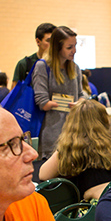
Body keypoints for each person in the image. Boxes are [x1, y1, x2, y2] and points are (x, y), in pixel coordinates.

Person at [38, 100, 111, 200]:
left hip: (86, 210)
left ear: (71, 122)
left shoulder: (69, 149)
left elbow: (43, 175)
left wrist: (65, 144)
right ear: (104, 119)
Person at [32, 26, 88, 159]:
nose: (74, 51)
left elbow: (80, 94)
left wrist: (80, 103)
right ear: (57, 47)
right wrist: (61, 103)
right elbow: (42, 102)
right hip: (51, 135)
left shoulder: (75, 68)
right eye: (69, 47)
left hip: (74, 132)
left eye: (75, 46)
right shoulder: (42, 66)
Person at [12, 23, 56, 88]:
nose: (52, 44)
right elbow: (14, 93)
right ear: (38, 41)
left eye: (54, 41)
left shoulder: (60, 64)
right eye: (48, 41)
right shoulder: (24, 64)